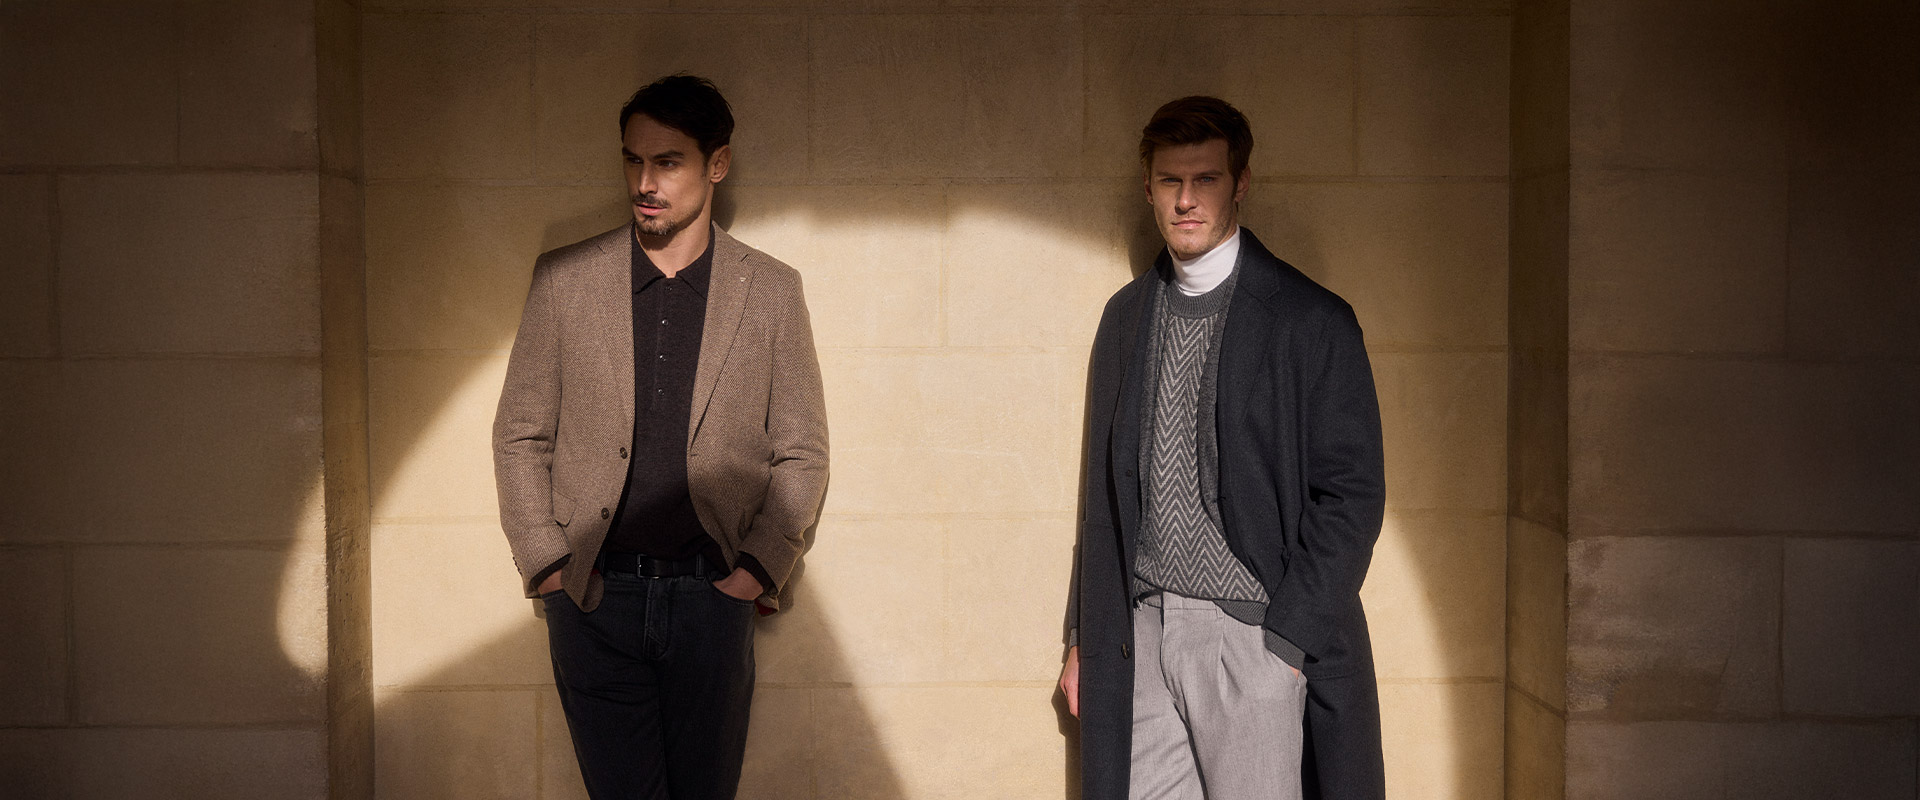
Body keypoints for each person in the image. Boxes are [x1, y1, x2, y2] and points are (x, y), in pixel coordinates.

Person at [492, 74, 827, 800]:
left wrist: (755, 574)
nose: (644, 182)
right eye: (632, 160)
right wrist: (549, 567)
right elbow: (520, 435)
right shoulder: (564, 280)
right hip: (594, 600)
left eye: (667, 161)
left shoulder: (770, 290)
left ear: (717, 164)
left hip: (712, 601)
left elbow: (802, 449)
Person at [1059, 96, 1387, 800]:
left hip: (1254, 637)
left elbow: (1353, 494)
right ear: (1148, 188)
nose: (1185, 200)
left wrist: (1289, 642)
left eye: (1204, 179)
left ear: (1239, 183)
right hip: (1140, 639)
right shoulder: (1125, 318)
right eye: (1169, 182)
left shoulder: (1312, 320)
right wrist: (1083, 635)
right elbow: (1101, 501)